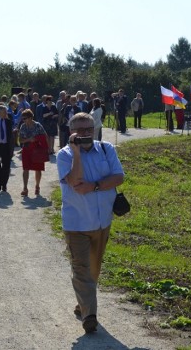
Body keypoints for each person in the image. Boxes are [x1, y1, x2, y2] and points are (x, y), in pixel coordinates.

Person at [56, 112, 124, 334]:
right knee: (82, 268)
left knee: (94, 268)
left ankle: (83, 302)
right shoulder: (64, 155)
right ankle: (90, 315)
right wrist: (76, 152)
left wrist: (94, 186)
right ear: (71, 132)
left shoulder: (107, 149)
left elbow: (118, 177)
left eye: (89, 129)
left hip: (102, 221)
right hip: (76, 223)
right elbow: (75, 181)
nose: (86, 134)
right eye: (80, 130)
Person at [19, 109, 48, 196]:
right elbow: (20, 140)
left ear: (31, 117)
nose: (24, 120)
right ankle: (25, 188)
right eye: (23, 118)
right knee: (25, 168)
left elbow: (45, 136)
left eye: (25, 118)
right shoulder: (23, 126)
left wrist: (38, 140)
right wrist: (29, 139)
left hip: (37, 150)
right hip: (27, 149)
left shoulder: (38, 125)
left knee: (38, 169)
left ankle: (37, 186)